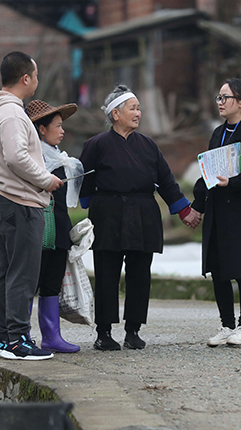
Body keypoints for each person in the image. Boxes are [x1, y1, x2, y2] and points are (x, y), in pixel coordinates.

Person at [79, 84, 199, 351]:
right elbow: (84, 181)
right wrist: (87, 205)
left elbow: (167, 181)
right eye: (133, 108)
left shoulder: (148, 146)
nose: (138, 113)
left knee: (139, 274)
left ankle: (133, 329)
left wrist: (184, 210)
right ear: (115, 114)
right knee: (107, 273)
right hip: (108, 214)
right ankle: (104, 332)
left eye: (139, 108)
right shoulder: (96, 145)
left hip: (143, 212)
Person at [0, 51, 63, 361]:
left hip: (1, 197)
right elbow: (16, 157)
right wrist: (46, 180)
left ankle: (4, 338)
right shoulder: (12, 113)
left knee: (4, 270)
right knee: (22, 272)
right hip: (19, 200)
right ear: (25, 78)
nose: (37, 81)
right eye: (36, 75)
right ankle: (17, 340)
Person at [190, 78, 241, 347]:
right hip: (217, 212)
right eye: (219, 98)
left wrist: (231, 183)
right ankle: (227, 325)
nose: (221, 103)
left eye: (226, 97)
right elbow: (207, 172)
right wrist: (197, 206)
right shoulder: (217, 133)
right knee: (219, 269)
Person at [25, 99, 83, 353]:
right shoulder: (30, 160)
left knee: (52, 282)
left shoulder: (60, 159)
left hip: (58, 228)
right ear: (41, 129)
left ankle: (52, 336)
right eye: (57, 126)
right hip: (36, 228)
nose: (62, 131)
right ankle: (21, 334)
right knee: (28, 283)